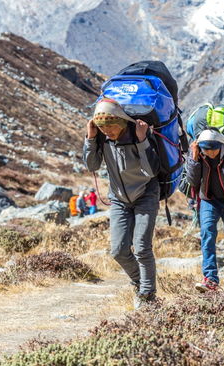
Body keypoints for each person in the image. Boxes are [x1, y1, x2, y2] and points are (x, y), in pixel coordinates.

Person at [83, 98, 160, 308]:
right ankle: (139, 282)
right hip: (118, 199)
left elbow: (152, 171)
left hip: (146, 194)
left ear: (121, 122)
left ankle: (148, 296)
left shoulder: (139, 134)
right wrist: (90, 138)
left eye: (110, 127)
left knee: (142, 248)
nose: (107, 131)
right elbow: (92, 164)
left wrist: (143, 140)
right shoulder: (101, 138)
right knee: (118, 250)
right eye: (102, 128)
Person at [185, 128, 224, 292]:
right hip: (209, 200)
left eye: (212, 149)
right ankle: (210, 279)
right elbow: (192, 181)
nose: (209, 152)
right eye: (205, 149)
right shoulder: (197, 153)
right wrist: (193, 159)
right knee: (207, 235)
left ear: (220, 145)